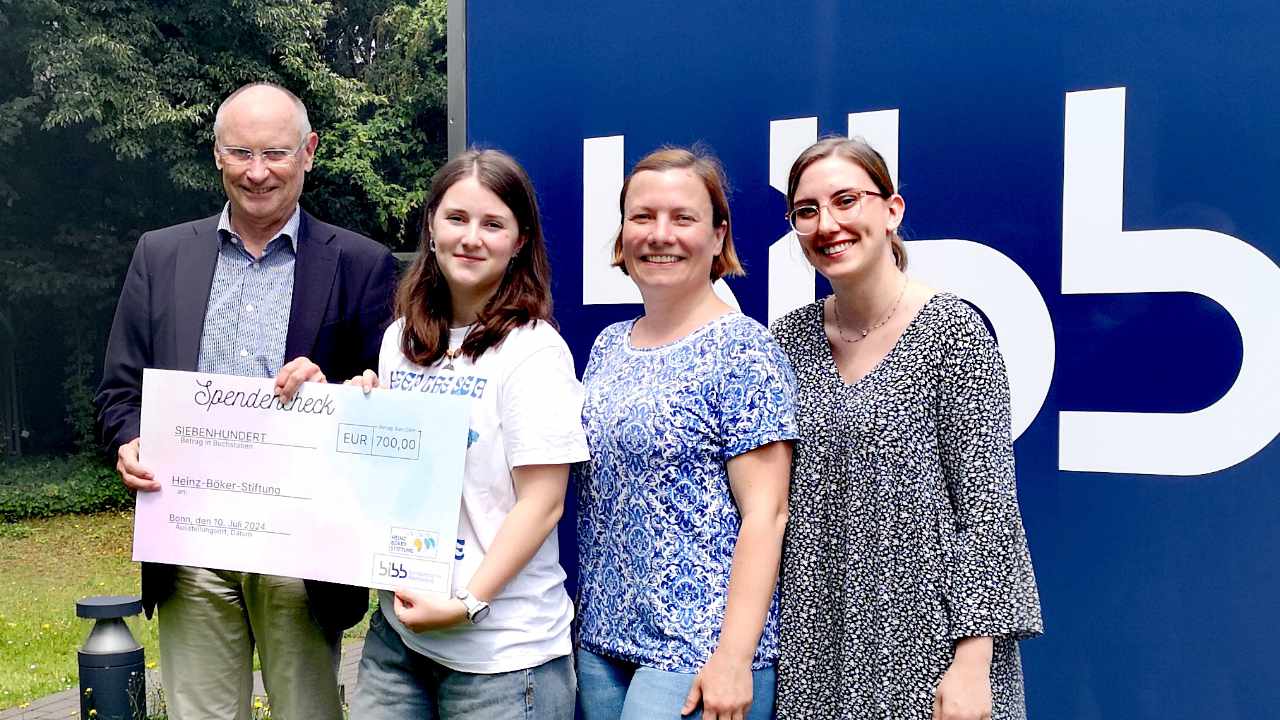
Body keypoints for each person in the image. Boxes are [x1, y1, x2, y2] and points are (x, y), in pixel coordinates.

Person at [94, 82, 397, 719]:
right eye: (240, 153)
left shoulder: (362, 263)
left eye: (276, 153)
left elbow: (389, 402)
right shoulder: (161, 254)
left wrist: (343, 397)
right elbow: (119, 393)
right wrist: (128, 441)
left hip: (304, 550)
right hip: (190, 541)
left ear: (309, 152)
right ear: (217, 156)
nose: (257, 172)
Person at [769, 136, 1043, 720]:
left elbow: (988, 508)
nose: (827, 224)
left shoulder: (955, 332)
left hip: (930, 648)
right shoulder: (787, 341)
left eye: (847, 201)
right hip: (817, 648)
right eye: (807, 210)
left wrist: (972, 666)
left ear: (892, 210)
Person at [344, 148, 585, 719]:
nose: (471, 237)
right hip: (398, 644)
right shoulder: (400, 341)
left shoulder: (533, 351)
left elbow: (544, 504)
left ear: (520, 240)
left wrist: (467, 602)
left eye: (493, 223)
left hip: (504, 659)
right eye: (456, 219)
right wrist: (357, 416)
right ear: (430, 225)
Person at [575, 146, 797, 720]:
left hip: (696, 655)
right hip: (603, 643)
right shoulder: (607, 347)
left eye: (683, 218)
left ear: (719, 236)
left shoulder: (746, 350)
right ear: (622, 236)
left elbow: (766, 514)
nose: (660, 234)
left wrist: (733, 657)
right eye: (642, 217)